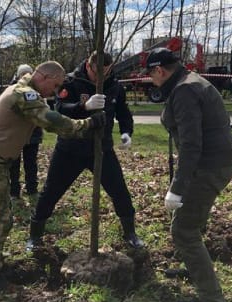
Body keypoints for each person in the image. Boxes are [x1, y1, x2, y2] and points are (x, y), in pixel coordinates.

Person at [0, 61, 106, 292]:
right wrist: (87, 124)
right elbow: (50, 121)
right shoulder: (23, 94)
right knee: (0, 218)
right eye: (56, 85)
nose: (56, 92)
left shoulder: (24, 89)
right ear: (45, 77)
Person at [143, 47, 232, 302]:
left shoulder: (185, 90)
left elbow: (191, 145)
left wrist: (177, 188)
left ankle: (212, 301)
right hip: (216, 161)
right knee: (191, 220)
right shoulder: (189, 81)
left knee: (183, 230)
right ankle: (194, 268)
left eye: (151, 75)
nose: (151, 80)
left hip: (207, 165)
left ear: (159, 71)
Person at [26, 51, 144, 251]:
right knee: (51, 192)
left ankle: (130, 232)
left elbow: (123, 112)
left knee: (119, 191)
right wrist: (83, 105)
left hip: (102, 148)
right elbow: (60, 109)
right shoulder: (71, 82)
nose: (102, 78)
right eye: (98, 73)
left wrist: (126, 132)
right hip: (70, 147)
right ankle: (35, 235)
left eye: (106, 73)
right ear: (89, 66)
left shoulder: (114, 85)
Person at [8, 64, 43, 206]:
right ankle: (14, 191)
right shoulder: (12, 91)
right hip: (15, 135)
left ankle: (32, 189)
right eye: (23, 74)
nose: (26, 76)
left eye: (29, 73)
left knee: (31, 163)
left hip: (33, 134)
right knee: (13, 165)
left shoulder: (37, 91)